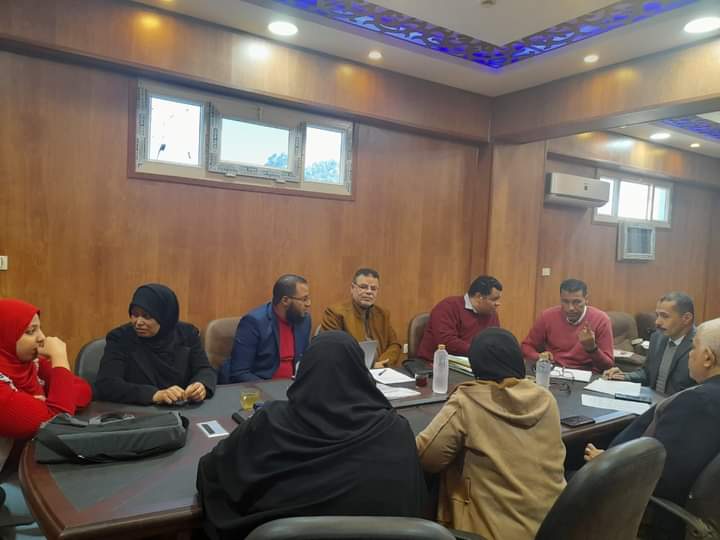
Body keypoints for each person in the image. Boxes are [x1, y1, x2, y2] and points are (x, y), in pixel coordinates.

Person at [197, 331, 429, 539]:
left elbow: (211, 472)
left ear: (305, 371)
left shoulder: (269, 423)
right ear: (361, 373)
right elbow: (413, 505)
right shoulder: (394, 430)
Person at [416, 328, 566, 540]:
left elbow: (427, 458)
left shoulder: (469, 400)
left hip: (491, 533)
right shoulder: (545, 397)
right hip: (552, 526)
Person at [585, 318, 720, 539]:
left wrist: (607, 465)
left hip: (647, 509)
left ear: (707, 357)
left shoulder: (697, 403)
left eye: (693, 347)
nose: (689, 354)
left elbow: (663, 480)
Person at [0, 299, 92, 470]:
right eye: (30, 331)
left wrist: (48, 406)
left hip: (26, 464)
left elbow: (83, 390)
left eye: (39, 328)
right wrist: (60, 359)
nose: (42, 337)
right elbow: (58, 423)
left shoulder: (30, 365)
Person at [95, 284, 216, 405]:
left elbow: (204, 369)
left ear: (165, 317)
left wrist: (201, 385)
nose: (138, 322)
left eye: (146, 316)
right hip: (139, 411)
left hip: (184, 407)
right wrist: (154, 395)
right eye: (135, 314)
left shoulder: (188, 334)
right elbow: (106, 384)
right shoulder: (120, 338)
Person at [218, 274, 312, 383]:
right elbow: (239, 373)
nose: (308, 304)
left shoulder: (304, 320)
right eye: (304, 299)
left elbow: (303, 361)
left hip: (294, 386)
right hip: (263, 387)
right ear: (285, 300)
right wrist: (272, 388)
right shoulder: (253, 323)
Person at [603, 292, 696, 395]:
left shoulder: (700, 345)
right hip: (651, 399)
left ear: (686, 318)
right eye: (657, 315)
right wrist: (624, 376)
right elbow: (647, 373)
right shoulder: (657, 337)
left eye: (665, 316)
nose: (657, 322)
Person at [522, 278, 613, 372]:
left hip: (586, 374)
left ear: (586, 299)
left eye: (577, 302)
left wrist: (592, 348)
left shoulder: (601, 320)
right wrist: (539, 356)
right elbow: (526, 347)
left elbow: (608, 365)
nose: (570, 308)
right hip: (553, 371)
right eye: (565, 301)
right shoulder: (547, 316)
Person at [320, 268, 402, 367]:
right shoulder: (335, 313)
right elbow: (333, 351)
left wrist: (382, 363)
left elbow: (394, 344)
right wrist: (370, 366)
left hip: (381, 370)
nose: (369, 292)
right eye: (363, 287)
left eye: (373, 288)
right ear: (352, 288)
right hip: (350, 370)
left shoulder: (383, 314)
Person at [417, 275, 502, 361]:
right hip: (436, 363)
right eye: (494, 299)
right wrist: (479, 352)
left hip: (473, 363)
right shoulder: (448, 306)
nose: (498, 303)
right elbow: (446, 341)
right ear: (478, 297)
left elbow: (495, 341)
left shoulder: (491, 313)